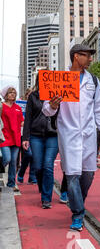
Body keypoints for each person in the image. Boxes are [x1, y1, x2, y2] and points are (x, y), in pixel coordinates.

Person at [42, 44, 100, 231]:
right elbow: (46, 110)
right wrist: (54, 106)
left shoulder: (93, 81)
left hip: (88, 135)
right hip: (68, 135)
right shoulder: (59, 79)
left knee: (87, 175)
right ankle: (78, 213)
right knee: (72, 176)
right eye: (87, 56)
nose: (90, 59)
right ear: (76, 57)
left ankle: (78, 201)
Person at [22, 73, 59, 209]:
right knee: (38, 166)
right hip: (36, 135)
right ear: (39, 81)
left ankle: (46, 198)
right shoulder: (33, 96)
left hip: (53, 135)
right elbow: (28, 118)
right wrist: (25, 137)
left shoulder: (58, 96)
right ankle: (42, 186)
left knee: (48, 165)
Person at [0, 86, 24, 192]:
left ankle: (11, 184)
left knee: (13, 162)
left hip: (16, 138)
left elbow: (22, 122)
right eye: (10, 92)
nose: (13, 94)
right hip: (4, 137)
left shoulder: (18, 107)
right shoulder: (1, 106)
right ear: (5, 94)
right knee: (7, 159)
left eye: (14, 92)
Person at [17, 87, 37, 185]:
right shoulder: (21, 105)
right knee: (28, 154)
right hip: (23, 133)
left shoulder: (38, 104)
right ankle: (21, 173)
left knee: (34, 155)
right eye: (29, 94)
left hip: (34, 133)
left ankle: (32, 177)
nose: (31, 96)